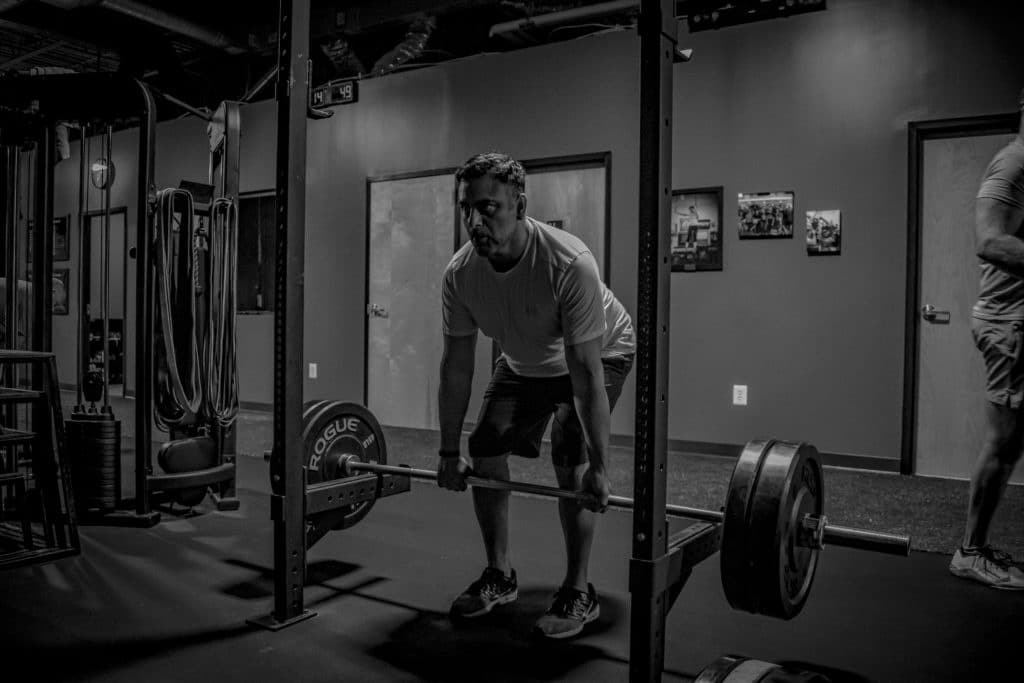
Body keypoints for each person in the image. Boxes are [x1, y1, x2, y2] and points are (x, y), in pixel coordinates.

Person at [437, 152, 636, 639]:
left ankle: (578, 589)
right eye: (467, 208)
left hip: (600, 352)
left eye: (489, 208)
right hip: (524, 361)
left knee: (571, 457)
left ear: (520, 204)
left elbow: (586, 373)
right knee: (484, 446)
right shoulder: (461, 275)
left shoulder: (569, 263)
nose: (474, 221)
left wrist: (602, 470)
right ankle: (500, 575)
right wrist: (446, 452)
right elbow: (457, 366)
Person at [949, 89, 1024, 590]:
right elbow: (989, 240)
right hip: (1009, 323)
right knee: (1004, 442)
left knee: (1012, 442)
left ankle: (976, 548)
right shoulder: (1013, 164)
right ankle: (969, 552)